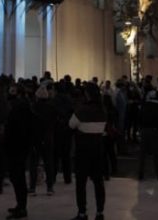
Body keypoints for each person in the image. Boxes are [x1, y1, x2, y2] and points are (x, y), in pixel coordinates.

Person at [69, 83, 108, 220]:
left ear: (87, 94)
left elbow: (71, 124)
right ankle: (99, 212)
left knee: (81, 183)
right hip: (97, 149)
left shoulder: (82, 110)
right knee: (98, 182)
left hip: (83, 150)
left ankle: (82, 212)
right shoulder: (103, 110)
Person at [5, 83, 34, 218]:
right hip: (20, 147)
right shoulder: (24, 106)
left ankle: (22, 207)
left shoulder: (19, 108)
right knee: (17, 177)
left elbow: (16, 128)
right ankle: (20, 205)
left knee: (18, 177)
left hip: (17, 147)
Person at [136, 89, 158, 182]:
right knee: (156, 154)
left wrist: (139, 130)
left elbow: (139, 118)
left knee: (142, 154)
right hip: (155, 130)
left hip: (144, 130)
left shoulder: (143, 105)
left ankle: (140, 173)